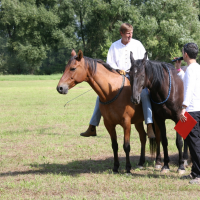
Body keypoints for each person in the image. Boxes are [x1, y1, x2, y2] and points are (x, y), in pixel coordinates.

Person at [80, 23, 155, 139]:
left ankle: (149, 125)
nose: (130, 36)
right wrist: (118, 70)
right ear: (121, 33)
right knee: (100, 97)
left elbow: (146, 63)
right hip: (117, 78)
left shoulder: (138, 44)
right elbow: (109, 63)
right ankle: (92, 126)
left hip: (134, 78)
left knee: (145, 94)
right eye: (127, 34)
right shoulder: (114, 46)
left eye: (131, 33)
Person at [175, 42, 200, 184]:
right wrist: (179, 69)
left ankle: (199, 175)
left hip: (192, 110)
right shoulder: (195, 68)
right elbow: (186, 81)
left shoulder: (191, 69)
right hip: (197, 108)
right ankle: (194, 172)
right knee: (189, 140)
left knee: (195, 143)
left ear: (185, 54)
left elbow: (189, 89)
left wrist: (183, 108)